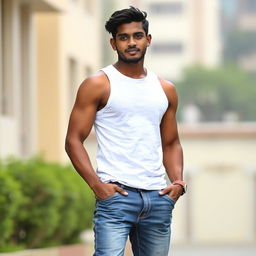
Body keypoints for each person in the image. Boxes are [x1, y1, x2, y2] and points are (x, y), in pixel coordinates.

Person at [65, 6, 187, 256]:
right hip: (116, 198)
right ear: (113, 43)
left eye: (137, 36)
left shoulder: (165, 89)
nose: (131, 43)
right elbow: (73, 140)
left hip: (157, 197)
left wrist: (177, 182)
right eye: (124, 37)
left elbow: (171, 143)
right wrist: (97, 185)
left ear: (148, 40)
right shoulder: (98, 84)